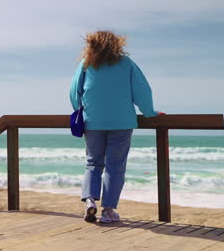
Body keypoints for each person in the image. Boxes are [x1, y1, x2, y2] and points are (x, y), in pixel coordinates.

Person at [69, 31, 163, 223]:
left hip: (93, 122)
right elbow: (142, 92)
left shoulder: (87, 64)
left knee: (93, 163)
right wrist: (150, 113)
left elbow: (73, 92)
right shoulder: (126, 63)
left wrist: (82, 110)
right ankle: (108, 211)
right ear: (117, 45)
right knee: (115, 167)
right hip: (121, 122)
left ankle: (89, 201)